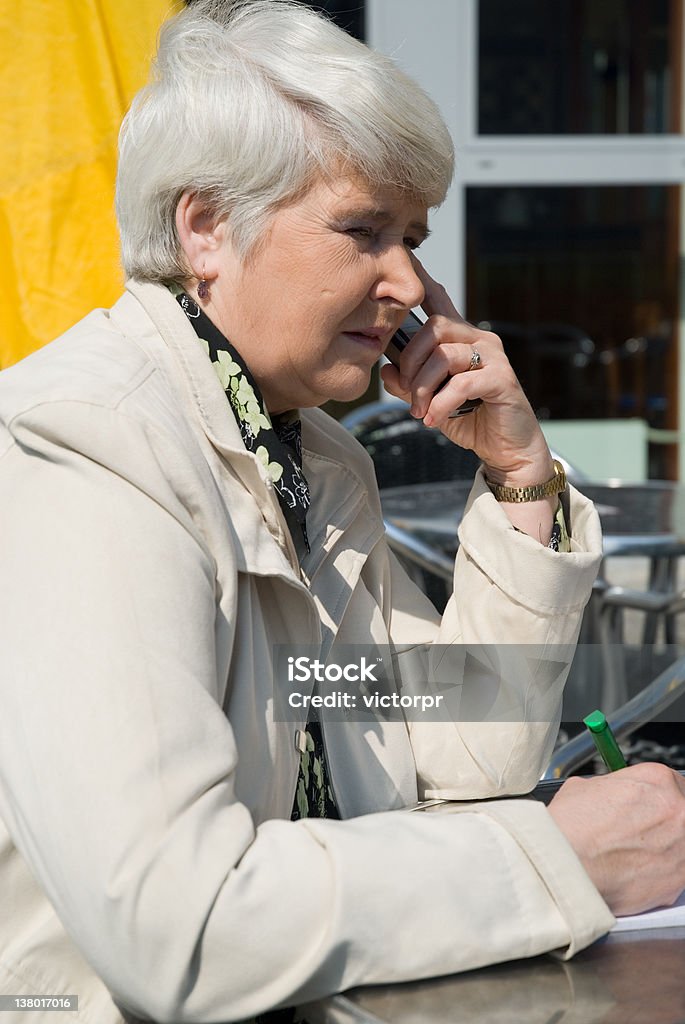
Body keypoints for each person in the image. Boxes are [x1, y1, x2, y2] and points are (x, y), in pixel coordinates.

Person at [0, 2, 684, 1022]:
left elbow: (446, 751)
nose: (410, 281)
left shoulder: (309, 453)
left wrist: (520, 480)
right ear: (205, 227)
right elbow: (176, 930)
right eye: (362, 229)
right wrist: (560, 857)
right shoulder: (91, 446)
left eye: (412, 235)